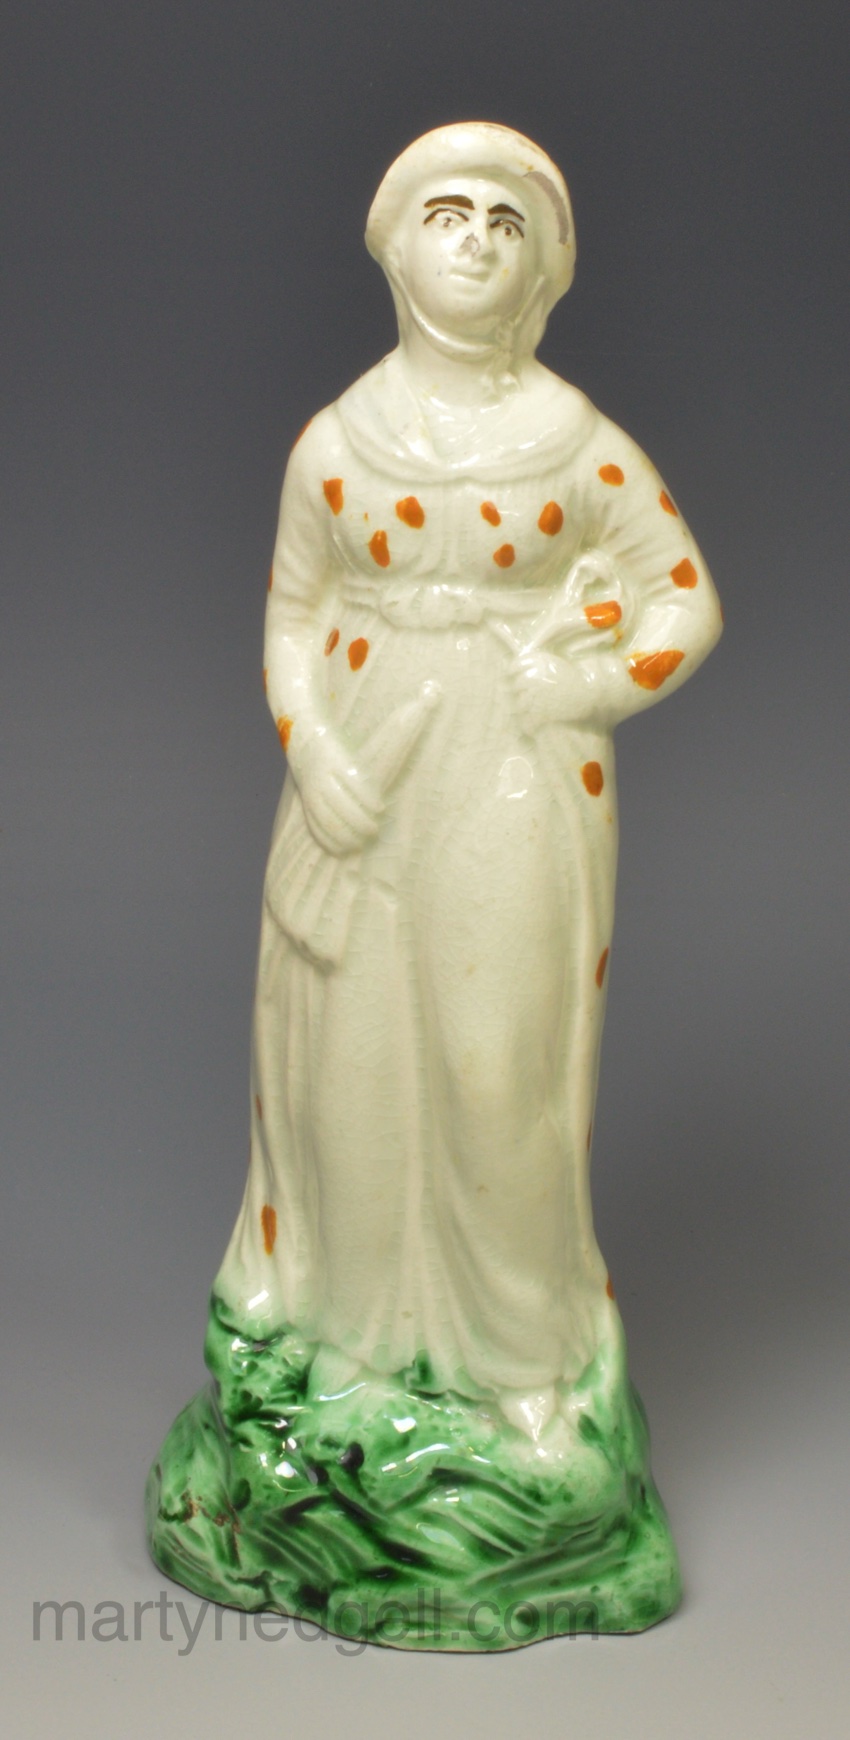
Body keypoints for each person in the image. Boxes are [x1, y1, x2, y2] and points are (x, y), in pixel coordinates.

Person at [213, 122, 722, 1444]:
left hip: (515, 774)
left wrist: (593, 686)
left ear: (542, 269)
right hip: (363, 777)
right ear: (393, 248)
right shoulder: (336, 444)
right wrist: (310, 748)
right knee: (354, 1067)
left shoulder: (575, 442)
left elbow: (685, 598)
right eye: (447, 214)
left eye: (507, 224)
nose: (477, 242)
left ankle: (520, 1368)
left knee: (498, 1068)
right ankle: (357, 1355)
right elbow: (289, 618)